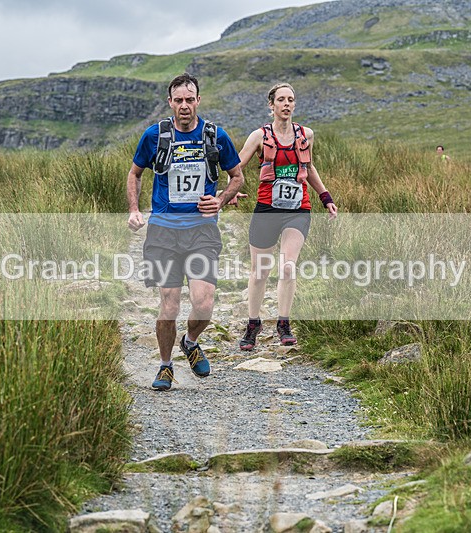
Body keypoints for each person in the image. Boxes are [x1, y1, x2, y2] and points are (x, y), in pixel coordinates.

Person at [127, 73, 245, 391]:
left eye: (189, 99)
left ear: (198, 101)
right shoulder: (155, 136)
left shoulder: (215, 136)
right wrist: (134, 209)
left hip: (201, 231)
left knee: (204, 303)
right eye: (178, 100)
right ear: (170, 102)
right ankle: (165, 366)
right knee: (169, 305)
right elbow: (135, 173)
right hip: (164, 232)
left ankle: (190, 341)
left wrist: (220, 200)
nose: (184, 105)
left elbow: (237, 176)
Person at [236, 82, 337, 351]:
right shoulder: (259, 136)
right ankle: (253, 324)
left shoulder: (306, 135)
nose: (286, 104)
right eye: (281, 99)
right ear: (271, 106)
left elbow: (309, 167)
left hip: (298, 210)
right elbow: (237, 166)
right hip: (267, 209)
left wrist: (325, 197)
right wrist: (230, 192)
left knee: (288, 266)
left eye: (290, 99)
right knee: (260, 271)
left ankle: (283, 323)